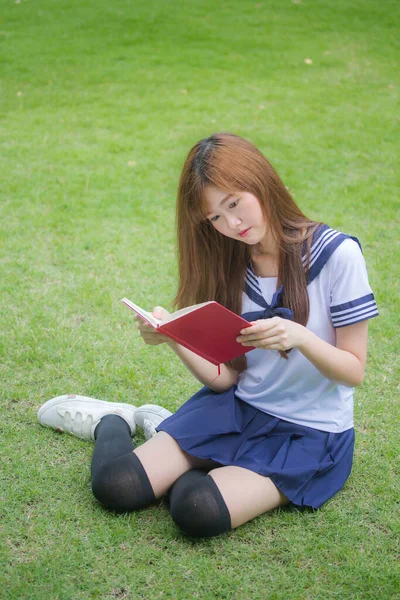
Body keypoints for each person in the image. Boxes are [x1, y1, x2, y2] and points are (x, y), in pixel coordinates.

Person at [38, 133, 379, 538]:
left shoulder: (337, 255)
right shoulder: (231, 265)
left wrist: (299, 337)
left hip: (307, 433)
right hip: (236, 410)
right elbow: (229, 379)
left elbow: (353, 371)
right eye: (215, 217)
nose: (231, 225)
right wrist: (173, 337)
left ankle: (183, 446)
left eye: (234, 203)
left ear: (261, 180)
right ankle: (113, 420)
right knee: (116, 485)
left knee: (195, 508)